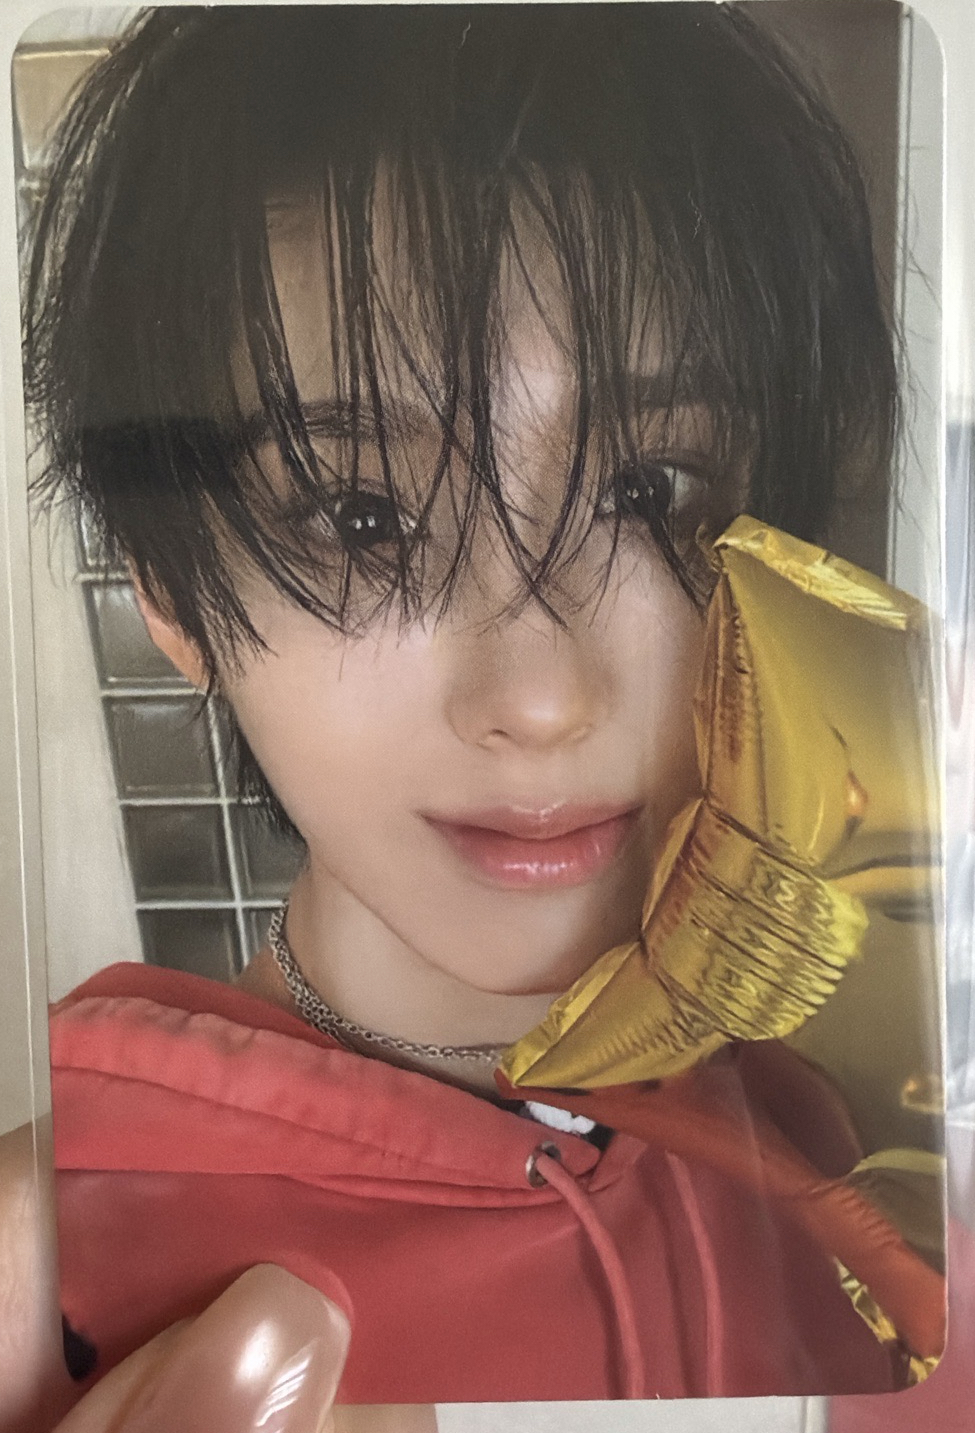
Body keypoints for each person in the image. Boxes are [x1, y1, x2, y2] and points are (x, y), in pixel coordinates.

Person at [11, 2, 939, 1419]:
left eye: (649, 492)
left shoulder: (832, 1137)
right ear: (171, 594)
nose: (543, 698)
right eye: (361, 516)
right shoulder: (62, 1254)